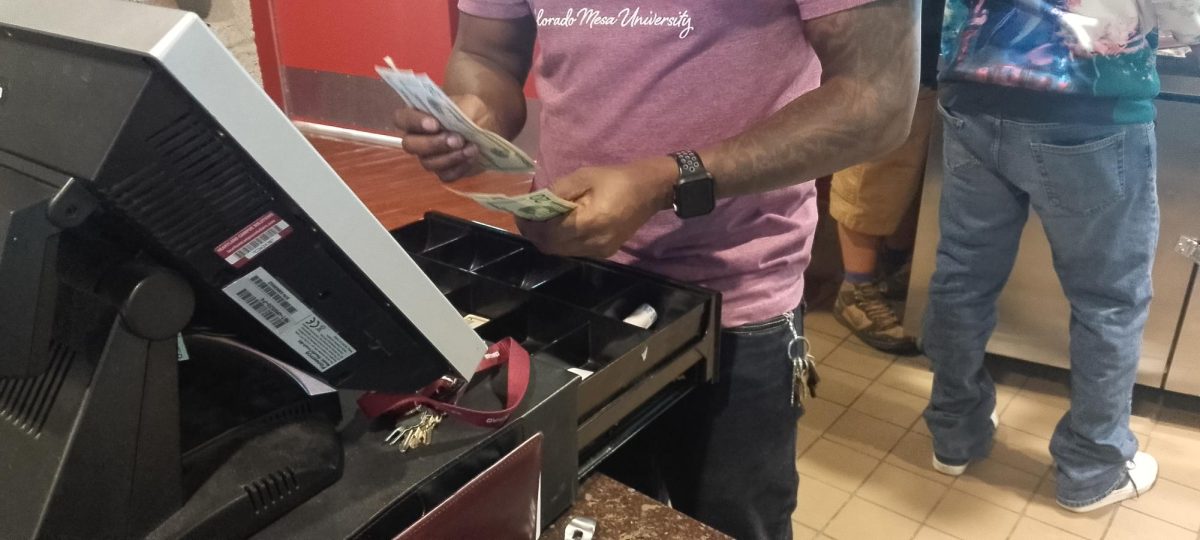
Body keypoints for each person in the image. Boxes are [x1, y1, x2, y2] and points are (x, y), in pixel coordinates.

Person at [394, 0, 920, 537]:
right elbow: (487, 51)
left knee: (727, 524)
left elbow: (877, 97)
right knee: (591, 520)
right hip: (568, 279)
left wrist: (669, 180)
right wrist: (473, 115)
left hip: (733, 296)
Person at [922, 0, 1172, 512]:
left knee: (962, 274)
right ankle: (1093, 466)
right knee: (1108, 299)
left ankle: (954, 432)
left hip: (974, 86)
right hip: (1089, 102)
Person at [829, 0, 944, 355]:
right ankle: (856, 288)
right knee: (874, 167)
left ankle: (892, 270)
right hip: (886, 44)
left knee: (913, 170)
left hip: (935, 45)